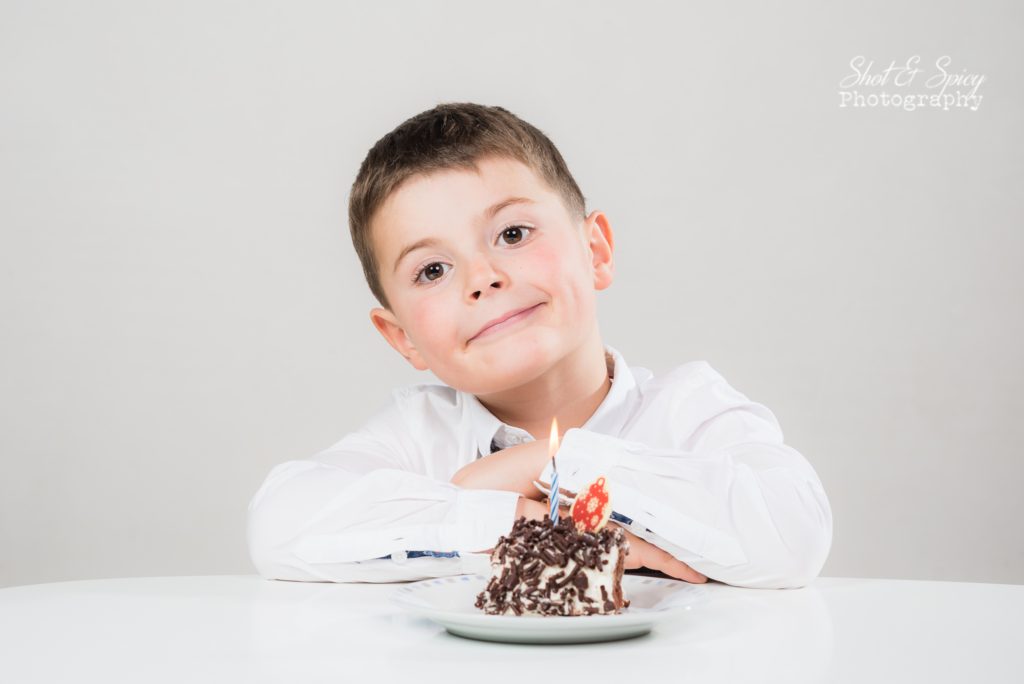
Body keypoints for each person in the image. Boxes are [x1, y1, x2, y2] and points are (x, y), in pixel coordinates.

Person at [246, 103, 832, 589]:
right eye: (432, 271)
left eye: (513, 233)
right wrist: (502, 517)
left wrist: (558, 466)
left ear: (595, 251)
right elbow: (279, 523)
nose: (483, 277)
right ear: (403, 338)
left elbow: (794, 533)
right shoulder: (416, 434)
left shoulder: (689, 410)